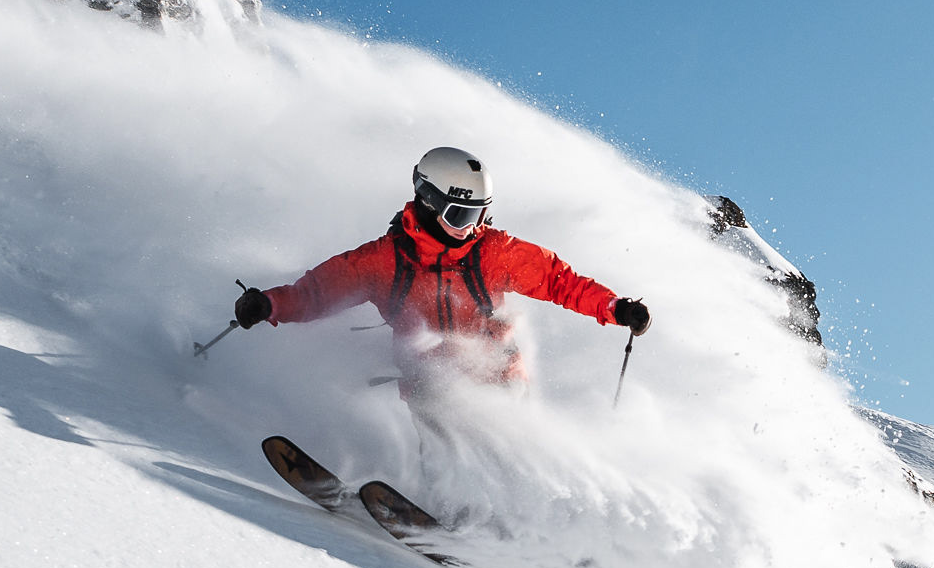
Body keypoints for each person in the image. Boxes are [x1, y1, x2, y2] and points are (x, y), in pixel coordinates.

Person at [232, 147, 650, 402]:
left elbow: (560, 282)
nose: (471, 227)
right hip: (427, 374)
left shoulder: (494, 252)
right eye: (460, 214)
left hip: (497, 369)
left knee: (501, 433)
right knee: (437, 414)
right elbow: (320, 292)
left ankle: (519, 519)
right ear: (429, 202)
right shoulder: (384, 261)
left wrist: (615, 308)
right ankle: (442, 508)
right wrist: (270, 303)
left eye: (479, 215)